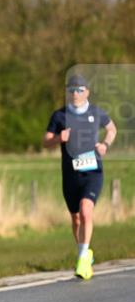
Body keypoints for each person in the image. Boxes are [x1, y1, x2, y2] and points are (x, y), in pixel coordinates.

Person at [42, 74, 116, 280]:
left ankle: (83, 259)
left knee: (85, 210)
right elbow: (45, 141)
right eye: (71, 90)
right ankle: (84, 252)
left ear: (87, 92)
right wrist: (59, 138)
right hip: (70, 175)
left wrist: (105, 145)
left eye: (79, 90)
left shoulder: (96, 112)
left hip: (93, 172)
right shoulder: (59, 116)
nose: (75, 94)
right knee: (75, 218)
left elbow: (112, 129)